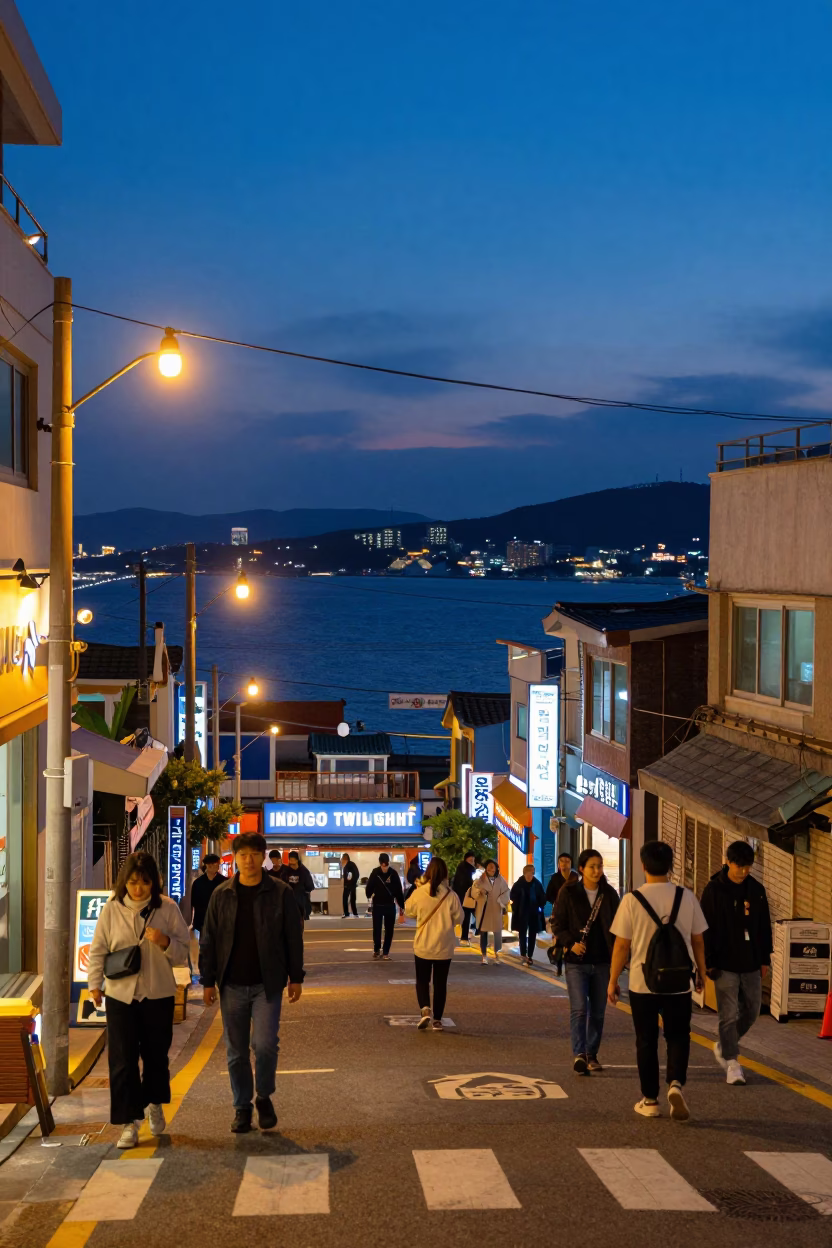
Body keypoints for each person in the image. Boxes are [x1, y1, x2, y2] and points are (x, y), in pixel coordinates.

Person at [199, 831, 304, 1134]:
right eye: (243, 854)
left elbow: (292, 938)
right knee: (236, 1050)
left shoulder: (280, 892)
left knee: (266, 1044)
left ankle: (264, 1096)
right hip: (231, 984)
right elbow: (208, 939)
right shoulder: (223, 894)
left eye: (254, 854)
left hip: (267, 984)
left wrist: (295, 977)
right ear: (236, 858)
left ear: (263, 856)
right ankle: (241, 1107)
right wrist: (207, 980)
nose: (249, 860)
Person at [87, 851, 191, 1150]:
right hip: (121, 995)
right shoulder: (111, 909)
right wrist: (95, 985)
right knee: (122, 1060)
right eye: (133, 882)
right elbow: (98, 949)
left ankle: (154, 1102)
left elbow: (184, 952)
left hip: (158, 994)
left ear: (153, 883)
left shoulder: (167, 908)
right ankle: (128, 1123)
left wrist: (165, 942)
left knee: (156, 1056)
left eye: (144, 883)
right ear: (124, 882)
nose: (138, 889)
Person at [608, 840, 707, 1121]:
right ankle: (675, 1083)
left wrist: (613, 980)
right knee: (678, 1035)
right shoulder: (686, 897)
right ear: (670, 866)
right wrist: (700, 972)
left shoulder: (631, 899)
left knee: (646, 1039)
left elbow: (621, 947)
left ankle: (650, 1100)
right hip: (679, 982)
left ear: (643, 866)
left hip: (642, 983)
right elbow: (698, 940)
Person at [701, 840, 772, 1086]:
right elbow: (704, 929)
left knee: (752, 1011)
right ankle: (732, 1063)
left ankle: (725, 1044)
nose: (743, 871)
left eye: (748, 866)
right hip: (724, 963)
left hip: (751, 961)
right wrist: (708, 962)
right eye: (739, 866)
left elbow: (764, 926)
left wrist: (765, 958)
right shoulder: (714, 890)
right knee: (728, 1015)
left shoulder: (757, 890)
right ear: (728, 862)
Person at [554, 849, 619, 1074]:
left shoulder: (609, 894)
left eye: (600, 866)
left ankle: (592, 1054)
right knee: (580, 1008)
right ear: (581, 869)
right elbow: (557, 924)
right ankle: (579, 1053)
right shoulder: (569, 892)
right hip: (576, 962)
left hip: (602, 961)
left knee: (598, 1011)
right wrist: (571, 943)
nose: (597, 870)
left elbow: (618, 929)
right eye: (592, 866)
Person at [405, 857, 463, 1030]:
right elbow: (460, 917)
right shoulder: (450, 895)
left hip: (423, 943)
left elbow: (408, 911)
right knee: (440, 982)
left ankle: (425, 1010)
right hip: (444, 945)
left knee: (422, 980)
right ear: (445, 873)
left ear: (428, 872)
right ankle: (437, 1020)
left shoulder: (419, 892)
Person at [365, 853, 404, 959]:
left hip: (388, 904)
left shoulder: (392, 873)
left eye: (386, 865)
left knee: (389, 929)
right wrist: (369, 894)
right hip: (378, 904)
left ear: (388, 863)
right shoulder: (376, 872)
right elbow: (369, 887)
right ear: (380, 863)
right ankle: (377, 949)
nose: (385, 867)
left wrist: (402, 905)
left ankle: (385, 951)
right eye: (383, 865)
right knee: (377, 929)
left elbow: (398, 891)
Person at [470, 859, 509, 965]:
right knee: (484, 933)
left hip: (496, 909)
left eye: (493, 866)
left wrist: (501, 900)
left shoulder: (501, 880)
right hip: (484, 909)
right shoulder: (480, 880)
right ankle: (484, 956)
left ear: (496, 868)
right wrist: (479, 892)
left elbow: (506, 891)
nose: (491, 869)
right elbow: (473, 891)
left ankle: (497, 955)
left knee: (497, 933)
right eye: (489, 866)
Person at [545, 853, 579, 974]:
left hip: (574, 913)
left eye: (567, 861)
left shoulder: (576, 877)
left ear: (571, 863)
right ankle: (558, 965)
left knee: (571, 937)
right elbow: (548, 895)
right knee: (559, 939)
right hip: (559, 912)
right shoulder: (555, 878)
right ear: (558, 864)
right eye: (562, 861)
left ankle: (570, 964)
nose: (564, 864)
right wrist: (557, 901)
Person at [510, 864, 547, 966]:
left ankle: (530, 956)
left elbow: (542, 897)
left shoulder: (536, 884)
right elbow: (512, 895)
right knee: (522, 933)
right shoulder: (519, 883)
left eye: (532, 872)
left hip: (534, 912)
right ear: (525, 873)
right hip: (522, 912)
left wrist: (540, 905)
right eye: (529, 872)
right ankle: (523, 953)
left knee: (532, 934)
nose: (531, 874)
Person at [278, 850, 315, 926]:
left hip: (300, 901)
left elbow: (310, 886)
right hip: (289, 901)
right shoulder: (286, 871)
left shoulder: (304, 871)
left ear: (297, 860)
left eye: (293, 859)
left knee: (299, 923)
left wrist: (303, 892)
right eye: (290, 859)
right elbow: (282, 884)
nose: (291, 862)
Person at [190, 854, 225, 937]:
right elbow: (194, 903)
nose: (212, 866)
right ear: (206, 865)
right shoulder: (198, 883)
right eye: (210, 864)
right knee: (204, 946)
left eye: (215, 864)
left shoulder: (225, 882)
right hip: (203, 921)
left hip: (221, 921)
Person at [452, 852, 478, 944]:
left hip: (463, 897)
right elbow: (464, 884)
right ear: (466, 860)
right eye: (470, 860)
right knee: (468, 916)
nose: (472, 862)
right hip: (466, 897)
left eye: (473, 861)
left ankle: (465, 936)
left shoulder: (463, 868)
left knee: (467, 916)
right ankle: (465, 937)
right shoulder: (467, 870)